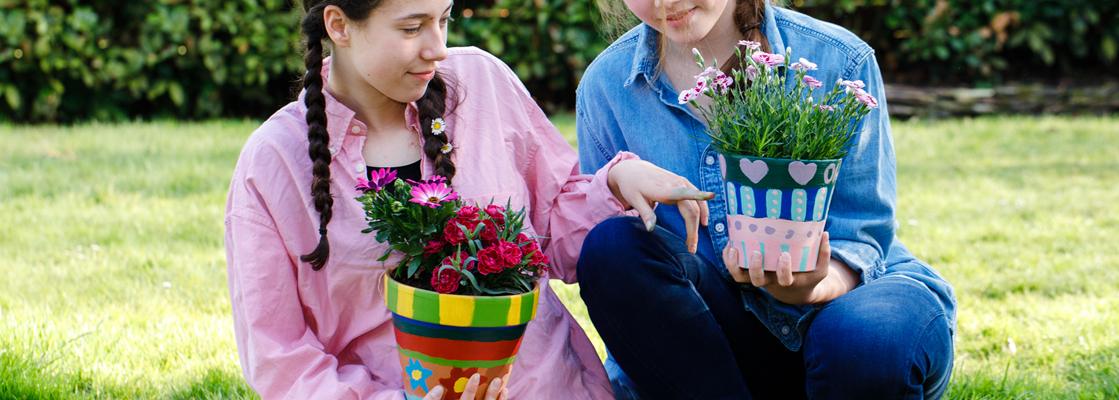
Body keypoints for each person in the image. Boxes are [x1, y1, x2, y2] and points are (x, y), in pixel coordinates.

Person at [223, 0, 714, 399]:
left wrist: (617, 182)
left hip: (546, 386)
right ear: (339, 25)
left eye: (444, 19)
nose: (438, 48)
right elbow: (279, 355)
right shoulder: (274, 166)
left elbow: (555, 232)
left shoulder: (481, 83)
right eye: (413, 27)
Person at [574, 0, 958, 399]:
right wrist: (616, 180)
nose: (664, 1)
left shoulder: (837, 59)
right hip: (718, 354)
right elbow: (620, 282)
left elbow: (862, 235)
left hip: (851, 310)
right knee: (611, 245)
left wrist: (811, 287)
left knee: (865, 343)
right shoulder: (607, 87)